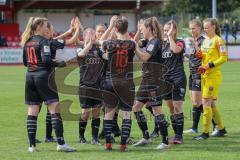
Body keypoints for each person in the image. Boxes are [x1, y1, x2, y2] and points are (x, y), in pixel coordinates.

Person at [21, 17, 79, 152]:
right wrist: (62, 64)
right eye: (45, 25)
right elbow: (47, 60)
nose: (47, 27)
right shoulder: (44, 41)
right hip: (43, 77)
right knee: (55, 110)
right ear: (40, 26)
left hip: (29, 77)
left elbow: (25, 63)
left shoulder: (27, 42)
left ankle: (31, 146)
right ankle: (61, 143)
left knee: (32, 111)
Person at [132, 17, 170, 150]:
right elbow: (134, 42)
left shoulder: (155, 42)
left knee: (157, 109)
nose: (141, 30)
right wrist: (137, 32)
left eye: (142, 28)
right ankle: (146, 137)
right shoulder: (147, 41)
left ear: (149, 28)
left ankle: (165, 142)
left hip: (155, 81)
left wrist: (135, 47)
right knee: (136, 107)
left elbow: (144, 57)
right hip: (146, 79)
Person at [100, 16, 136, 151]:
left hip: (110, 82)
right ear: (127, 29)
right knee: (126, 114)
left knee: (108, 113)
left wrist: (110, 26)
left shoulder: (109, 44)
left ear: (115, 29)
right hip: (126, 82)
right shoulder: (132, 44)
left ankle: (108, 144)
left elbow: (100, 41)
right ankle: (123, 145)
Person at [193, 18, 228, 140]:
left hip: (213, 76)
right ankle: (222, 129)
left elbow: (224, 58)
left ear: (213, 27)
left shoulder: (219, 40)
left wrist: (209, 65)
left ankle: (205, 133)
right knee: (211, 104)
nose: (205, 29)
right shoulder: (205, 41)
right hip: (205, 75)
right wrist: (200, 55)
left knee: (205, 102)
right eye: (204, 27)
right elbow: (203, 55)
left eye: (207, 27)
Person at [76, 28, 105, 145]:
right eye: (90, 35)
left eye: (93, 34)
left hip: (97, 86)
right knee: (85, 112)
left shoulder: (99, 51)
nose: (93, 36)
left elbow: (107, 57)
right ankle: (81, 136)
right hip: (85, 86)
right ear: (84, 37)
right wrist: (89, 44)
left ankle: (95, 138)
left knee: (97, 113)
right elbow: (81, 54)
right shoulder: (80, 49)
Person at [162, 20, 186, 144]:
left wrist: (170, 37)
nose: (166, 32)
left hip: (178, 78)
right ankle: (176, 132)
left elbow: (176, 50)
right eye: (165, 30)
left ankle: (179, 135)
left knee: (177, 106)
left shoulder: (180, 42)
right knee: (171, 108)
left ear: (175, 30)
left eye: (169, 30)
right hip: (166, 80)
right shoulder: (161, 44)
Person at [183, 19, 205, 134]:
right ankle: (195, 128)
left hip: (198, 73)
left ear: (199, 28)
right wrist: (186, 54)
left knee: (197, 102)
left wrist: (194, 43)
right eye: (190, 28)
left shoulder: (203, 40)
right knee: (194, 102)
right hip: (191, 73)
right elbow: (194, 55)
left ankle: (215, 124)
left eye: (193, 28)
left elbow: (202, 55)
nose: (191, 31)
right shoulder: (194, 40)